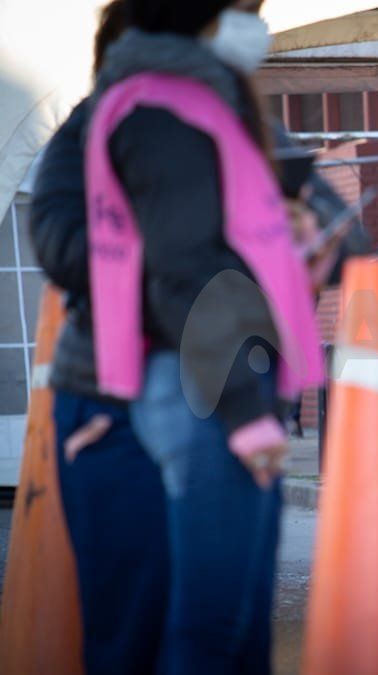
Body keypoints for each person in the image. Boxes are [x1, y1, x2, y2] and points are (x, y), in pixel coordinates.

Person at [82, 1, 325, 672]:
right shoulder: (165, 107)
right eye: (246, 7)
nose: (259, 21)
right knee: (212, 631)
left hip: (212, 381)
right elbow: (187, 266)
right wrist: (245, 407)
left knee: (232, 628)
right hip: (209, 390)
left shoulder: (182, 100)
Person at [30, 4, 169, 673]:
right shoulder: (95, 124)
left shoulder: (225, 126)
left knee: (209, 618)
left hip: (213, 403)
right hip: (114, 403)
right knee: (130, 622)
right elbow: (57, 240)